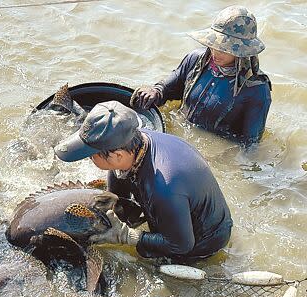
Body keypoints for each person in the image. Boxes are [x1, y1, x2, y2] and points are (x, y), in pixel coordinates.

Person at [53, 101, 232, 262]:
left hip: (202, 241)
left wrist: (128, 236)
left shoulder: (163, 188)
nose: (88, 160)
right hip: (176, 210)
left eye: (91, 157)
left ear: (117, 155)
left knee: (145, 255)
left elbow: (182, 245)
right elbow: (117, 179)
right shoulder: (134, 140)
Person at [130, 5, 271, 147]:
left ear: (242, 51)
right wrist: (155, 91)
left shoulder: (257, 89)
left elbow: (250, 145)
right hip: (180, 130)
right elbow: (168, 89)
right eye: (214, 44)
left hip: (214, 149)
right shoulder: (196, 59)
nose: (215, 52)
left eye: (224, 48)